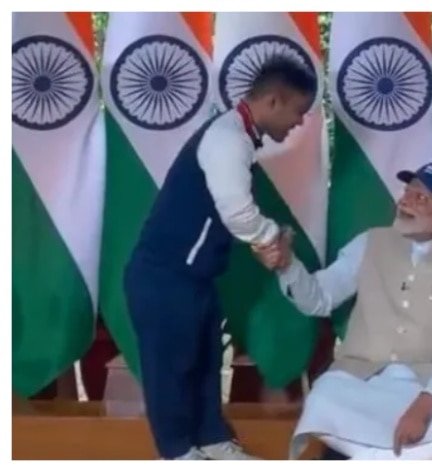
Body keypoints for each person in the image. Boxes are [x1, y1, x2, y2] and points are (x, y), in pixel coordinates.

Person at [123, 56, 316, 460]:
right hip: (163, 277)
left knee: (206, 364)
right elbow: (238, 213)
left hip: (194, 279)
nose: (299, 123)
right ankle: (177, 453)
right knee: (172, 371)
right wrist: (271, 239)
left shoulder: (239, 136)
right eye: (299, 112)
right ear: (274, 101)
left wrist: (274, 238)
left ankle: (212, 440)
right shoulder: (228, 139)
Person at [255, 162, 432, 460]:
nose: (405, 202)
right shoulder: (370, 242)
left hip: (430, 383)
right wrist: (287, 267)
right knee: (324, 398)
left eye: (421, 198)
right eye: (407, 192)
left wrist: (427, 404)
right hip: (361, 381)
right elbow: (319, 298)